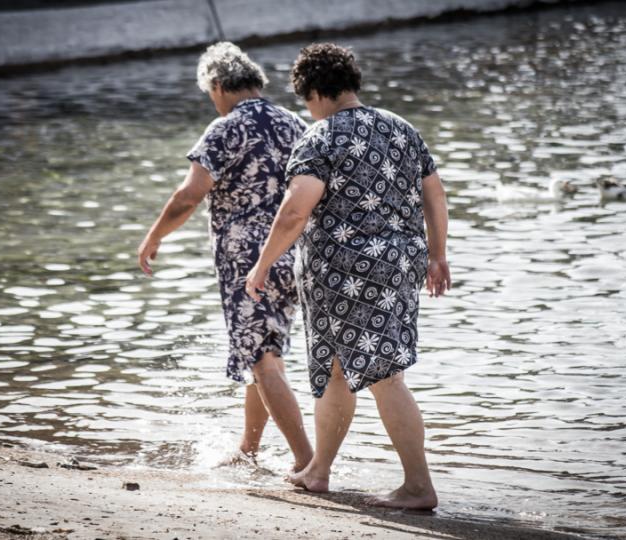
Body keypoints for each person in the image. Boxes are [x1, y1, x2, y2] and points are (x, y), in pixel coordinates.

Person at [245, 43, 451, 509]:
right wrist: (438, 255)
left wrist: (262, 264)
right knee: (337, 371)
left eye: (305, 100)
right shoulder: (402, 129)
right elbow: (434, 196)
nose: (308, 109)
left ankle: (418, 486)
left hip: (344, 273)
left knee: (384, 376)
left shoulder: (320, 138)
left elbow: (296, 210)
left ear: (314, 92)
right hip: (399, 263)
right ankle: (318, 471)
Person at [137, 42, 312, 471]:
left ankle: (307, 461)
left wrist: (154, 236)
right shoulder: (295, 123)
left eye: (210, 94)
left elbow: (189, 195)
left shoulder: (225, 128)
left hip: (248, 263)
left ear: (218, 86)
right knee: (266, 351)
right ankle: (248, 450)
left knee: (262, 358)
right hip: (294, 255)